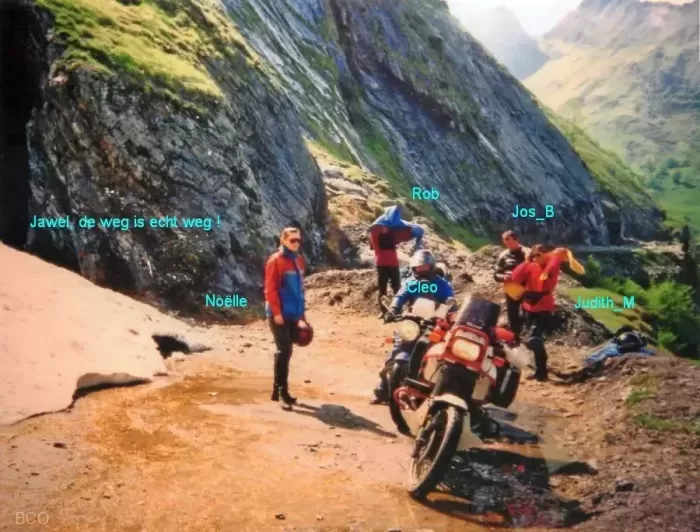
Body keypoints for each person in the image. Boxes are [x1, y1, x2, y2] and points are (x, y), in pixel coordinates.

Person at [370, 249, 456, 404]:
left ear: (431, 266)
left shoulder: (442, 284)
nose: (421, 270)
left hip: (434, 324)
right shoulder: (411, 283)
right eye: (418, 268)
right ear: (413, 268)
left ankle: (436, 393)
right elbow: (400, 297)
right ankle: (382, 390)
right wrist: (392, 310)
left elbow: (451, 302)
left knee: (439, 359)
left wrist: (451, 313)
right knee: (395, 353)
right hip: (413, 322)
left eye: (424, 267)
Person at [264, 227, 309, 410]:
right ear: (283, 240)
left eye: (298, 240)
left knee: (285, 352)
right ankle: (283, 393)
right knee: (284, 350)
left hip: (293, 313)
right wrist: (276, 313)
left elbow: (300, 291)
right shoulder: (275, 260)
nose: (296, 243)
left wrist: (302, 315)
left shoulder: (298, 260)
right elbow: (270, 289)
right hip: (279, 314)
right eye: (292, 240)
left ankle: (277, 390)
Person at [509, 245, 566, 382]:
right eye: (534, 255)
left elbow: (555, 261)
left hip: (543, 307)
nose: (536, 258)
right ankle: (540, 370)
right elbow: (515, 277)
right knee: (533, 341)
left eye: (539, 255)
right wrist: (527, 261)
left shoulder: (552, 266)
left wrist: (554, 255)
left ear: (545, 254)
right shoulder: (531, 265)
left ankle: (541, 372)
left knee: (536, 338)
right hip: (528, 306)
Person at [369, 206, 425, 315]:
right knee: (382, 287)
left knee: (396, 286)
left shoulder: (394, 230)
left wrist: (417, 241)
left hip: (392, 262)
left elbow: (416, 230)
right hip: (382, 262)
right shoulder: (376, 229)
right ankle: (383, 311)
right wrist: (380, 255)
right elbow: (375, 245)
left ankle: (397, 310)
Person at [493, 230, 526, 337]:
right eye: (505, 241)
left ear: (516, 240)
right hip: (511, 289)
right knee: (512, 312)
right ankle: (514, 336)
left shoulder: (527, 253)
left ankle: (528, 333)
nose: (506, 243)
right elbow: (496, 274)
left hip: (527, 288)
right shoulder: (503, 256)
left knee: (527, 311)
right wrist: (503, 277)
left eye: (509, 240)